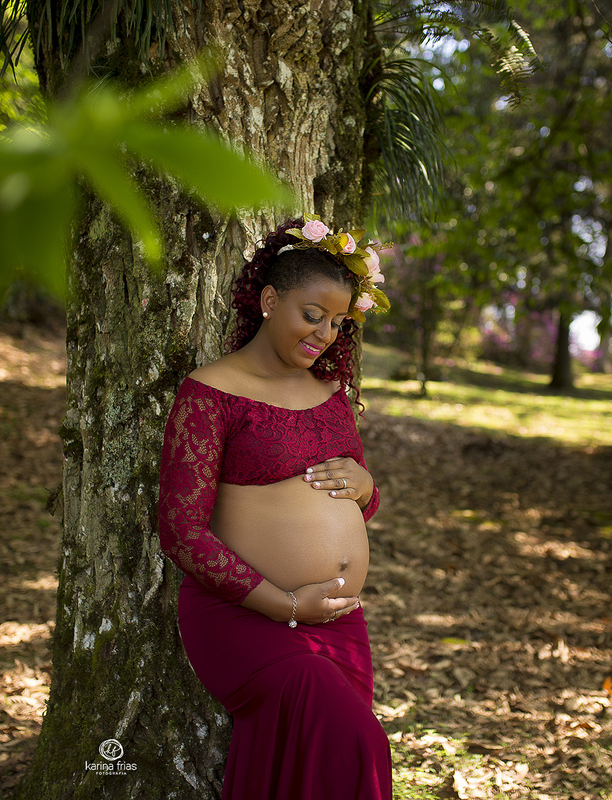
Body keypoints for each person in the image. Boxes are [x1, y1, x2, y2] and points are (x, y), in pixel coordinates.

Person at [158, 216, 392, 799]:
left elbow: (355, 503)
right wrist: (286, 605)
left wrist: (367, 489)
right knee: (361, 744)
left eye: (337, 322)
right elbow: (182, 532)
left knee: (326, 769)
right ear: (268, 300)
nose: (324, 334)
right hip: (245, 617)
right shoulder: (210, 392)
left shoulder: (333, 393)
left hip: (335, 621)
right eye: (312, 314)